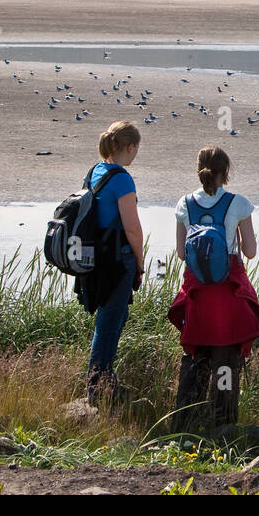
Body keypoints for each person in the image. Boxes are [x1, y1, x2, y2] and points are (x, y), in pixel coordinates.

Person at [167, 145, 259, 431]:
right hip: (228, 290)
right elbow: (250, 251)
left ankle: (185, 425)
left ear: (199, 171)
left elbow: (182, 254)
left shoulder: (184, 204)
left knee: (196, 355)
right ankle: (223, 426)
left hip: (198, 292)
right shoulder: (238, 203)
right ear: (226, 172)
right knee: (226, 359)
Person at [83, 120, 145, 408]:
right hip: (118, 260)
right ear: (129, 147)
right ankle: (98, 388)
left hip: (97, 259)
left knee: (111, 320)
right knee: (109, 323)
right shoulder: (122, 179)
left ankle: (103, 379)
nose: (136, 156)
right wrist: (141, 263)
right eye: (136, 150)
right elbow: (132, 227)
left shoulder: (95, 171)